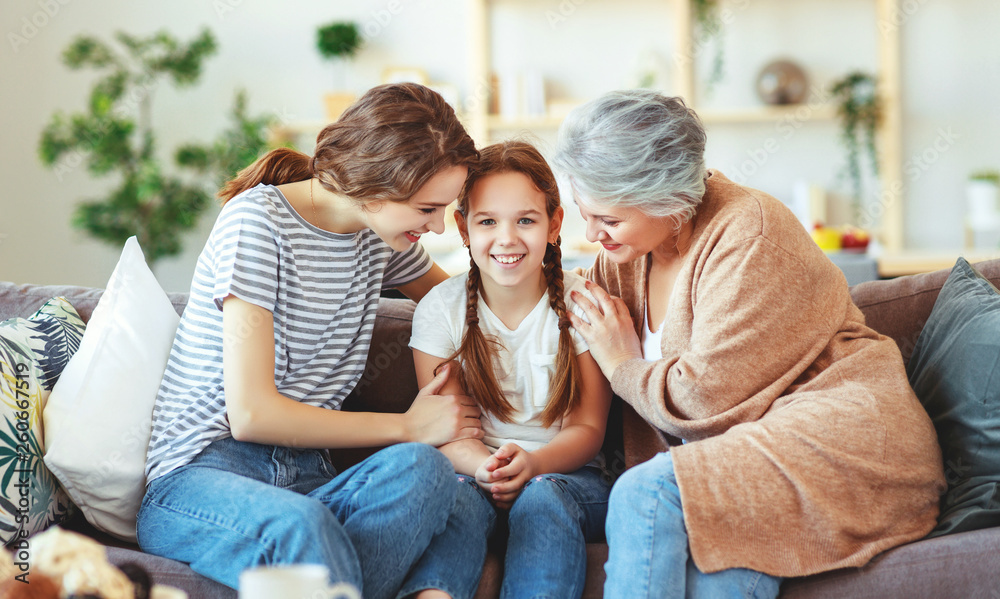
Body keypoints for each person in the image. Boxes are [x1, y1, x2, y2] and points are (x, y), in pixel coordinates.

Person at [550, 90, 947, 599]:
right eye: (586, 214)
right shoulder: (627, 253)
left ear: (666, 199)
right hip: (754, 449)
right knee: (713, 575)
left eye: (608, 220)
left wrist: (621, 364)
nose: (591, 235)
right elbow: (542, 301)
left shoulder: (750, 234)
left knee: (647, 494)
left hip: (846, 437)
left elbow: (705, 398)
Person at [138, 83, 487, 599]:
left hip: (309, 480)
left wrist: (554, 294)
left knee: (440, 479)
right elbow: (252, 415)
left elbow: (466, 309)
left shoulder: (381, 233)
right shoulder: (257, 223)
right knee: (299, 526)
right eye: (426, 209)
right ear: (374, 186)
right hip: (202, 476)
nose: (437, 227)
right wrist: (409, 425)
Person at [408, 141, 612, 599]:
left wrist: (534, 464)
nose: (507, 238)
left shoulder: (584, 306)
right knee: (454, 495)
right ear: (462, 227)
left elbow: (588, 428)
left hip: (567, 477)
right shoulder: (441, 310)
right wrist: (489, 470)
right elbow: (449, 432)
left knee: (542, 495)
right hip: (474, 472)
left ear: (554, 225)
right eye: (487, 222)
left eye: (525, 220)